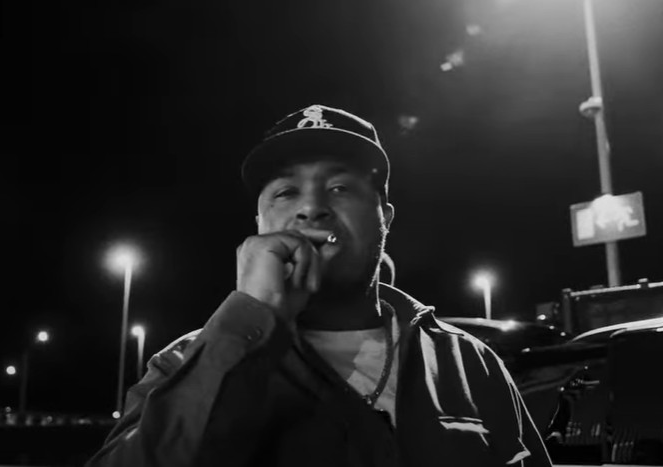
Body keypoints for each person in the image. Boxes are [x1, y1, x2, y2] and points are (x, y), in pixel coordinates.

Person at [87, 104, 553, 467]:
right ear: (259, 224)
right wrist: (249, 320)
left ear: (385, 219)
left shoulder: (469, 362)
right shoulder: (185, 362)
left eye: (340, 188)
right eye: (286, 192)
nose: (311, 208)